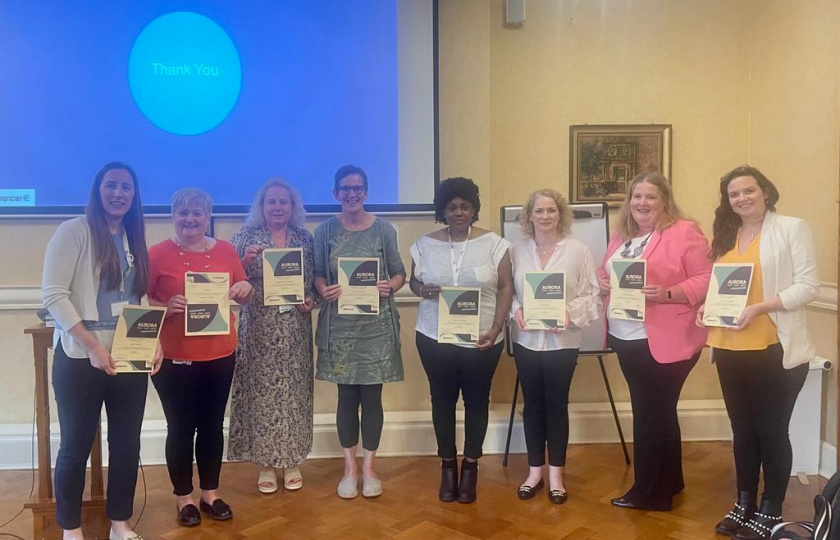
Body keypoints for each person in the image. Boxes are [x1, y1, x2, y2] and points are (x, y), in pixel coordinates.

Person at [699, 165, 819, 540]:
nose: (741, 199)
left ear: (765, 191)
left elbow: (809, 286)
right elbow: (721, 287)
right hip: (730, 347)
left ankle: (771, 509)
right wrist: (707, 307)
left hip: (775, 347)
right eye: (734, 194)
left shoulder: (791, 228)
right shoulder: (725, 234)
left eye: (748, 191)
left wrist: (761, 307)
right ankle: (744, 502)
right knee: (743, 431)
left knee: (771, 431)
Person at [42, 162, 160, 540]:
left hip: (129, 357)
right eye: (111, 185)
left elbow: (137, 296)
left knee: (126, 444)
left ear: (134, 195)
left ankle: (119, 525)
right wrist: (92, 346)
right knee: (75, 445)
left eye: (126, 187)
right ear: (97, 190)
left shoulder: (133, 236)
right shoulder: (73, 231)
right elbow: (54, 295)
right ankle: (71, 529)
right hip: (80, 357)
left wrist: (152, 341)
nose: (118, 193)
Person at [597, 172, 711, 511]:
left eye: (650, 197)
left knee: (650, 415)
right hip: (624, 336)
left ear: (665, 201)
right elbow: (607, 271)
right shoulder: (622, 234)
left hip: (664, 339)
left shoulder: (684, 230)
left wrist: (668, 293)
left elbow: (707, 277)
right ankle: (670, 483)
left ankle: (649, 493)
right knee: (658, 413)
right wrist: (604, 283)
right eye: (636, 197)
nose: (642, 203)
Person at [146, 188, 253, 527]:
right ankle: (184, 498)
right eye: (183, 213)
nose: (190, 219)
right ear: (172, 215)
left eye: (197, 213)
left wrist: (246, 289)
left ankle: (210, 493)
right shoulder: (156, 254)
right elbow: (138, 300)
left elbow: (244, 290)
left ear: (208, 216)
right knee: (180, 427)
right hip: (175, 357)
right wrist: (165, 306)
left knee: (212, 426)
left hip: (221, 353)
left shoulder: (225, 250)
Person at [408, 177, 513, 504]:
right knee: (441, 401)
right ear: (443, 209)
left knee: (477, 401)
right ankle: (447, 466)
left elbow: (506, 287)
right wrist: (422, 290)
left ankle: (471, 467)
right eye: (452, 207)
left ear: (473, 209)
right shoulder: (424, 244)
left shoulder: (496, 245)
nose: (458, 212)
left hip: (482, 339)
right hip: (433, 337)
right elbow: (414, 283)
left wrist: (496, 328)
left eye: (464, 206)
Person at [313, 164, 406, 499]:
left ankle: (370, 468)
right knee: (346, 397)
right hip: (340, 328)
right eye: (345, 189)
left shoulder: (384, 230)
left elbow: (399, 273)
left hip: (376, 328)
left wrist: (388, 286)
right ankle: (349, 469)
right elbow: (318, 274)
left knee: (372, 398)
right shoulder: (323, 232)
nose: (352, 194)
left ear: (366, 192)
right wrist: (323, 289)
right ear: (335, 193)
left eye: (358, 188)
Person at [509, 189, 600, 504]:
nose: (545, 216)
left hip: (563, 342)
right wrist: (516, 311)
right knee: (532, 406)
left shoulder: (578, 250)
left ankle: (556, 475)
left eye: (551, 210)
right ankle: (535, 472)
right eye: (538, 211)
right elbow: (510, 294)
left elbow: (592, 294)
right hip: (526, 342)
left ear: (560, 214)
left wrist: (569, 312)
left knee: (557, 407)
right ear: (529, 216)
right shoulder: (516, 250)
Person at [227, 178, 315, 494]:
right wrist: (245, 261)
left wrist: (310, 302)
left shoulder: (305, 239)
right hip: (258, 329)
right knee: (260, 394)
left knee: (293, 394)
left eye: (283, 202)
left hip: (294, 329)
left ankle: (291, 461)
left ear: (293, 208)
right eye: (271, 202)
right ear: (261, 207)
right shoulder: (245, 237)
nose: (277, 207)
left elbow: (314, 284)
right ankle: (265, 464)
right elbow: (227, 280)